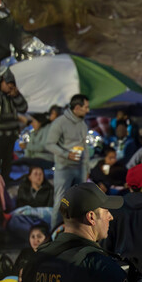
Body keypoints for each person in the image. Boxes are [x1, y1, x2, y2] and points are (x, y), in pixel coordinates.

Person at [47, 95, 92, 227]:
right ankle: (54, 232)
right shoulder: (60, 122)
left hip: (80, 167)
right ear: (77, 108)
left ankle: (77, 231)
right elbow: (49, 144)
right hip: (64, 168)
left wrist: (87, 168)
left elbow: (85, 147)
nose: (88, 111)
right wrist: (66, 154)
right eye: (86, 107)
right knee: (61, 201)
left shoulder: (83, 124)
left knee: (80, 202)